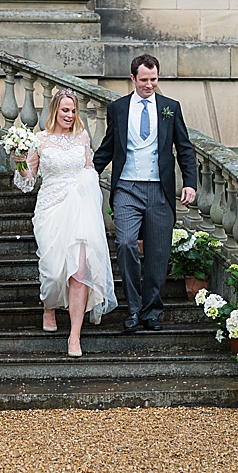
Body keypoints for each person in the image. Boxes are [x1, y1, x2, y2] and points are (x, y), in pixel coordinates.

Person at [93, 54, 197, 332]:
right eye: (144, 80)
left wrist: (190, 183)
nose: (149, 85)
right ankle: (134, 308)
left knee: (158, 254)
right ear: (133, 79)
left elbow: (184, 148)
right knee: (126, 242)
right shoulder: (118, 108)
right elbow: (108, 145)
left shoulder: (170, 108)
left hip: (159, 190)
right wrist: (88, 171)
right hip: (127, 187)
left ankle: (152, 311)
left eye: (153, 79)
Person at [13, 88, 118, 357]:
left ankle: (74, 336)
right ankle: (49, 305)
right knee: (51, 271)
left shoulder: (82, 137)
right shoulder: (40, 140)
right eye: (65, 110)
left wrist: (86, 192)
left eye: (73, 111)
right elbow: (27, 182)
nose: (70, 115)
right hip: (50, 209)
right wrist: (20, 163)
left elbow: (89, 172)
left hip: (80, 211)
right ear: (55, 111)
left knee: (79, 272)